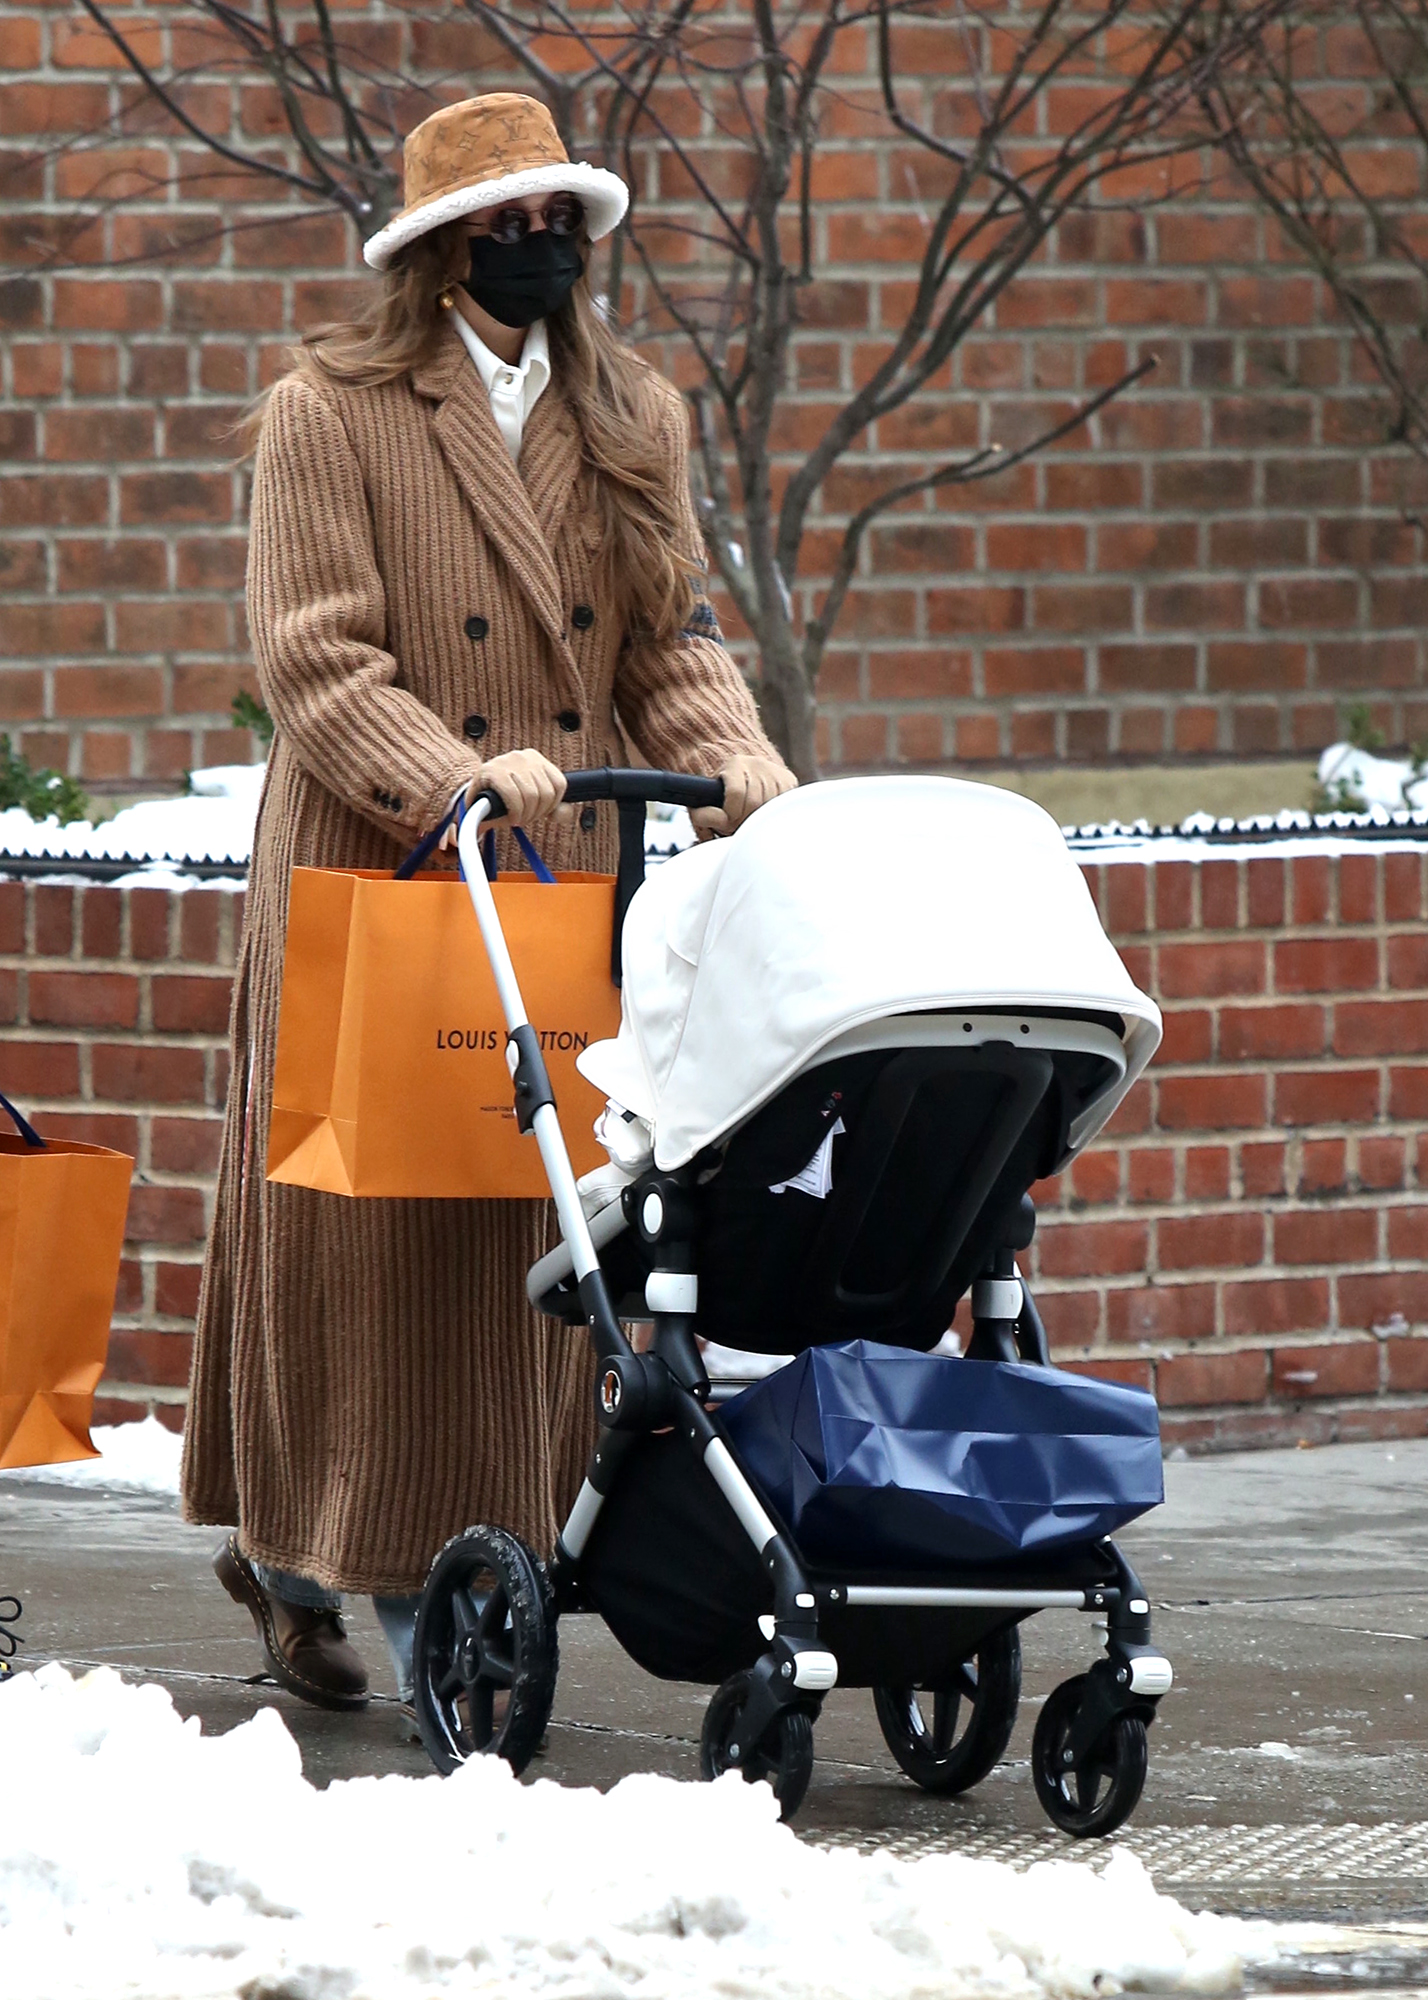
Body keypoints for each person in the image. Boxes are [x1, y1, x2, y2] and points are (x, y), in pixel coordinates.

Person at [180, 91, 795, 1719]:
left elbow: (666, 640)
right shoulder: (334, 410)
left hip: (556, 882)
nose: (536, 250)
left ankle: (465, 1552)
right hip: (385, 859)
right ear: (440, 248)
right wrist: (451, 776)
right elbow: (313, 654)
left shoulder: (628, 412)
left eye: (558, 225)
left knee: (528, 1229)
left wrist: (737, 760)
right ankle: (318, 1555)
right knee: (366, 1243)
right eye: (501, 225)